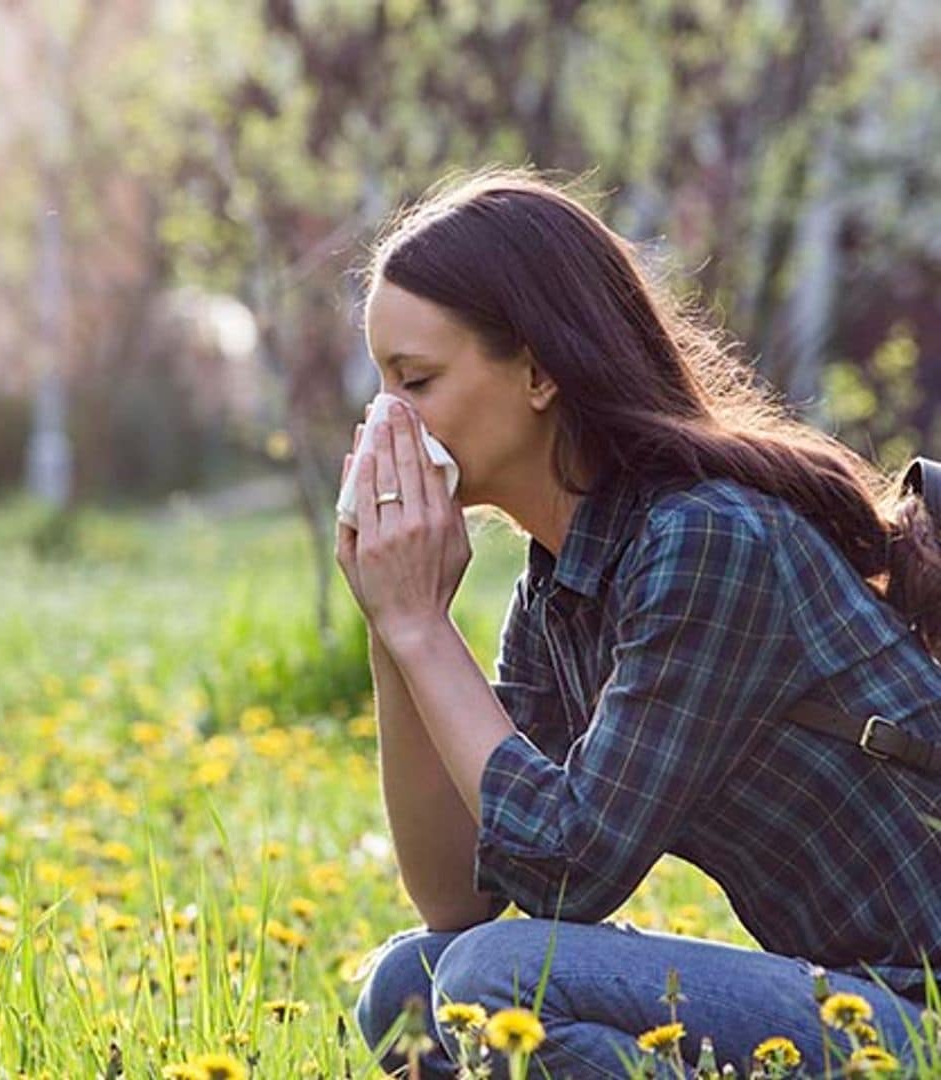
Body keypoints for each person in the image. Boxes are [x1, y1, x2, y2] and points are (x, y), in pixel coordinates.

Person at [334, 167, 941, 1079]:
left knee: (496, 983)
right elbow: (457, 897)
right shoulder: (559, 586)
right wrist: (394, 630)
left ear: (538, 370)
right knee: (409, 990)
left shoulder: (706, 539)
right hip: (847, 995)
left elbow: (567, 872)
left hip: (915, 1015)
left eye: (414, 379)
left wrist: (422, 627)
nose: (387, 419)